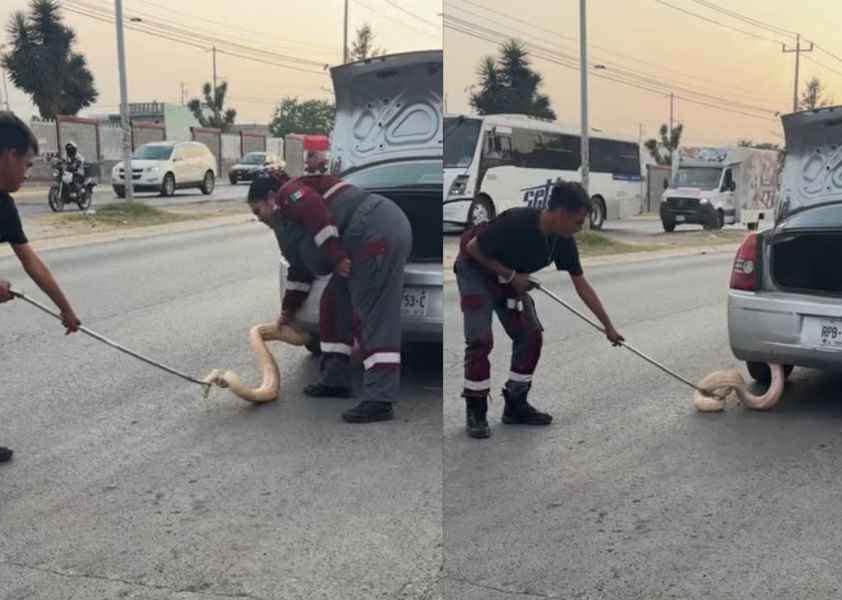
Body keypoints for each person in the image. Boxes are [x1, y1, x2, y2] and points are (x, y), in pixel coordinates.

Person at [454, 181, 625, 439]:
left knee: (530, 335)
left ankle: (515, 405)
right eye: (578, 222)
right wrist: (511, 275)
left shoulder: (562, 240)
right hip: (476, 269)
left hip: (511, 276)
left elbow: (582, 285)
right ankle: (475, 411)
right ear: (562, 213)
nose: (579, 229)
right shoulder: (517, 222)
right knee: (480, 339)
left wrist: (608, 327)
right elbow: (472, 248)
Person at [247, 170, 412, 423]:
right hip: (363, 236)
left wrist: (336, 257)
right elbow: (300, 270)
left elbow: (315, 211)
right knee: (334, 303)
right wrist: (287, 311)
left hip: (374, 230)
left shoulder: (288, 193)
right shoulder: (287, 223)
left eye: (258, 211)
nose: (259, 219)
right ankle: (335, 379)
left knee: (373, 317)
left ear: (270, 198)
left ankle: (380, 400)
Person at [0, 114, 82, 463]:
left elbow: (30, 260)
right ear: (10, 155)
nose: (27, 173)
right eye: (26, 164)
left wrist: (66, 310)